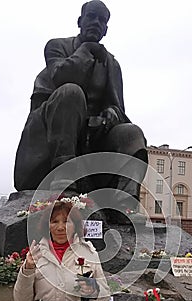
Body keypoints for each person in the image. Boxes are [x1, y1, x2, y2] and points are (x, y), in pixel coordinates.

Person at [14, 0, 147, 213]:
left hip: (92, 141)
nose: (96, 23)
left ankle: (124, 203)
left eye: (101, 20)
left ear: (105, 29)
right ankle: (64, 179)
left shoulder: (111, 64)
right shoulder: (57, 46)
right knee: (71, 92)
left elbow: (119, 109)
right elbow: (61, 77)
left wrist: (109, 116)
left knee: (132, 133)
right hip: (51, 136)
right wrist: (85, 50)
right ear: (80, 21)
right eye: (91, 17)